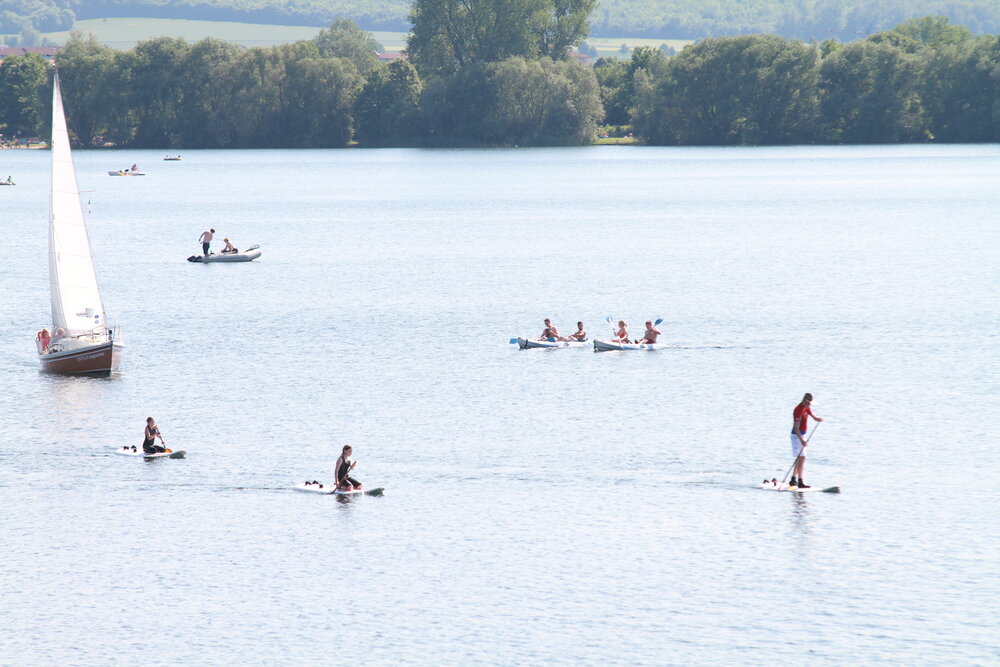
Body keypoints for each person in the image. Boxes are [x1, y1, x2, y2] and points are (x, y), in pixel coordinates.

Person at [789, 393, 823, 489]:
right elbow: (796, 427)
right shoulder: (798, 410)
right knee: (801, 457)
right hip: (796, 436)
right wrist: (802, 440)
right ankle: (799, 481)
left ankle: (794, 480)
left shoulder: (806, 407)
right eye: (809, 403)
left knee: (801, 458)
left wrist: (818, 419)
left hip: (802, 435)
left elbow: (813, 416)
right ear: (805, 401)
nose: (810, 405)